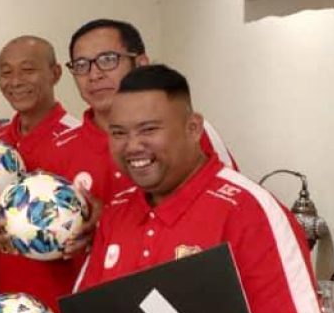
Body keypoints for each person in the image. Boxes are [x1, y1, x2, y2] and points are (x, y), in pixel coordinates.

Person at [53, 65, 323, 313]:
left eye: (149, 129)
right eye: (119, 133)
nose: (132, 146)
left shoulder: (249, 209)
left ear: (194, 128)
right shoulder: (117, 212)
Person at [0, 36, 112, 313]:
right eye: (6, 72)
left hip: (69, 306)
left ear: (55, 73)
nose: (15, 81)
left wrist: (97, 229)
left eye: (28, 70)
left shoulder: (84, 140)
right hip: (11, 305)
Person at [65, 18, 236, 203]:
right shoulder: (61, 149)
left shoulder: (185, 130)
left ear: (141, 63)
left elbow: (230, 200)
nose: (94, 75)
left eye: (108, 60)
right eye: (81, 65)